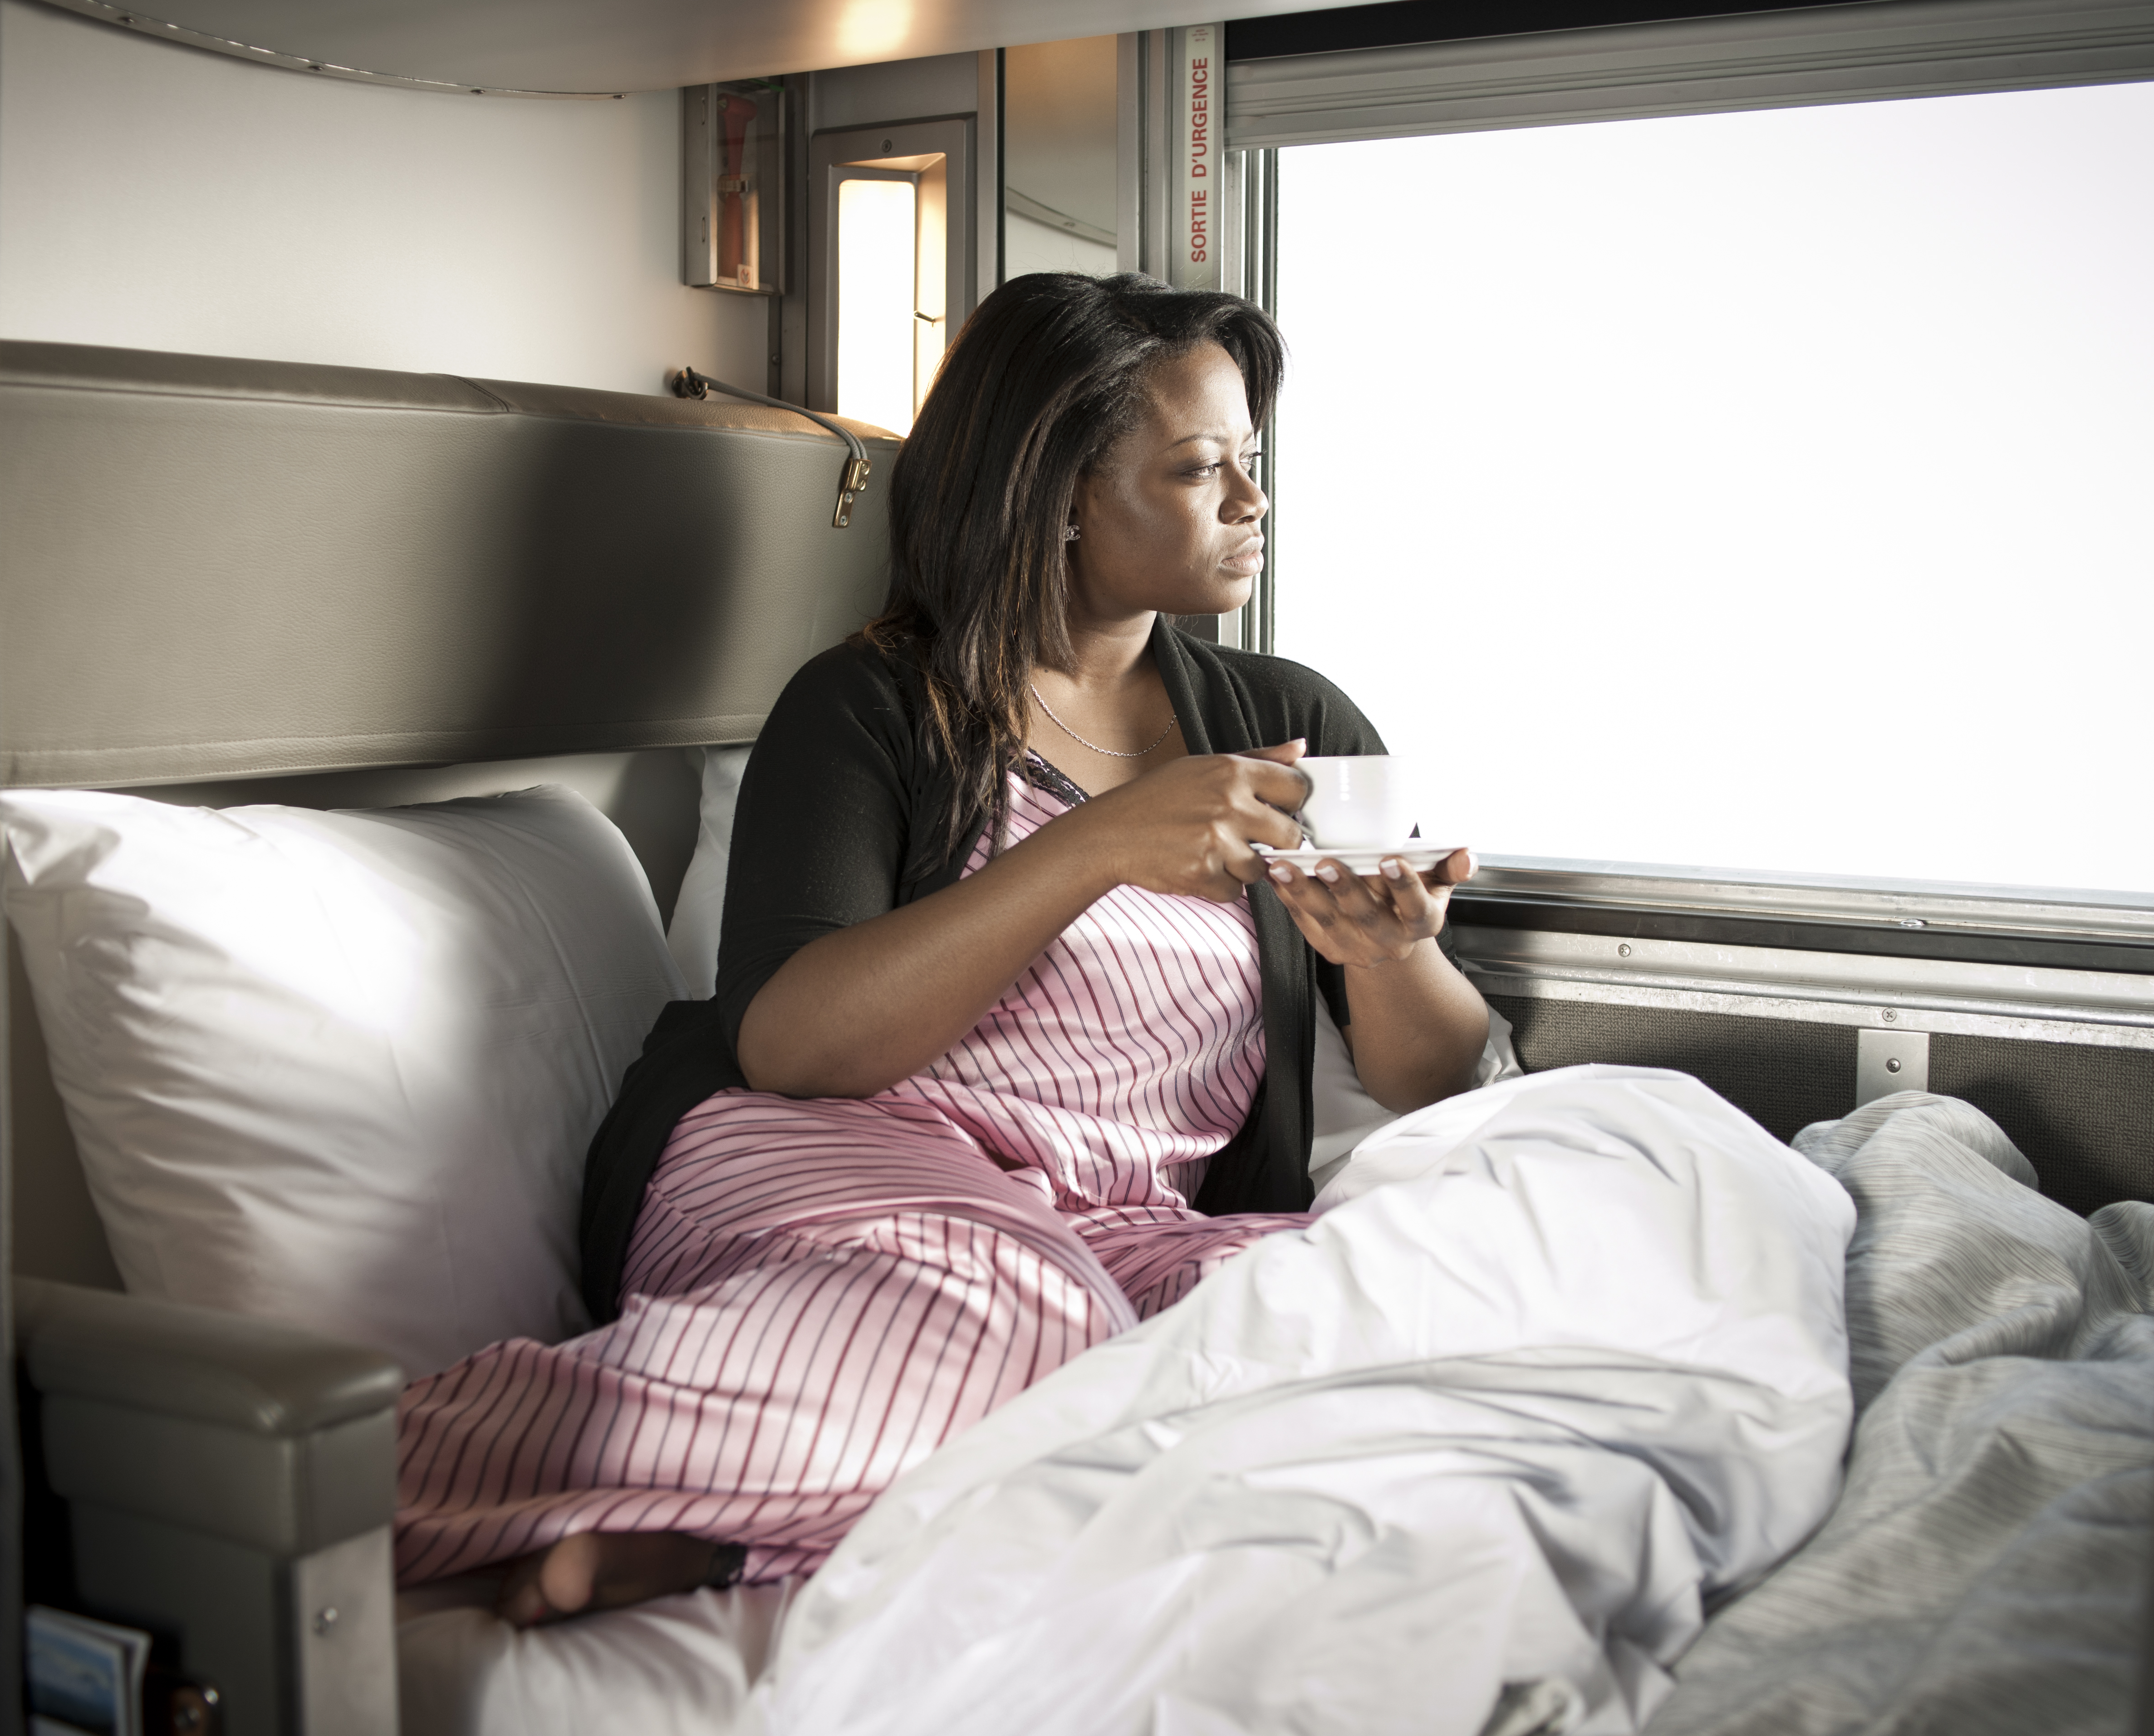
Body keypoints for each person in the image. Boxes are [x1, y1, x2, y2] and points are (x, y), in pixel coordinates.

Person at [390, 272, 1496, 1625]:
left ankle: (716, 1536)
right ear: (1061, 493)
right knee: (1028, 1321)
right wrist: (1098, 845)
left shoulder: (1291, 721)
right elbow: (793, 1044)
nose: (1252, 503)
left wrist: (1390, 955)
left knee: (1348, 1328)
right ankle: (382, 1470)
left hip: (1115, 1227)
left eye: (1249, 463)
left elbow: (1438, 1080)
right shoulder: (866, 708)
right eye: (1200, 468)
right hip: (827, 1166)